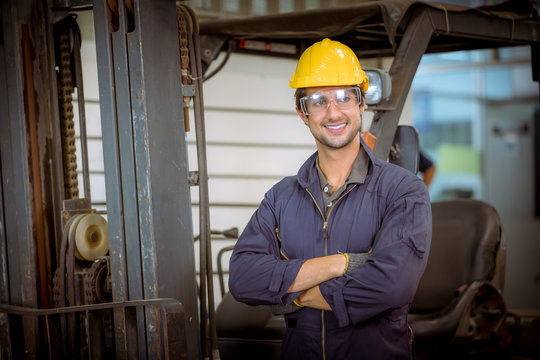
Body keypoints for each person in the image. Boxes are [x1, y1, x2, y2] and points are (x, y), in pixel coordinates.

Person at [228, 38, 432, 360]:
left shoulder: (403, 191)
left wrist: (292, 293)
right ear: (302, 112)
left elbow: (391, 285)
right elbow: (243, 278)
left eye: (343, 97)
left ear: (361, 104)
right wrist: (342, 263)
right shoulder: (281, 197)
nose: (333, 112)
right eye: (318, 101)